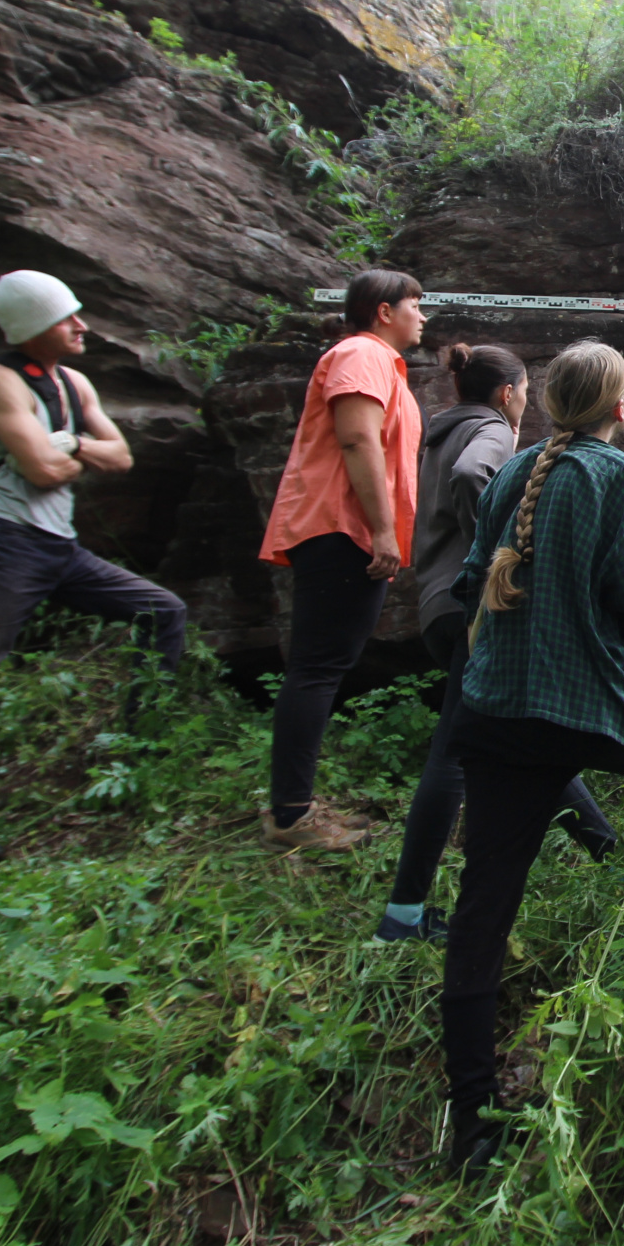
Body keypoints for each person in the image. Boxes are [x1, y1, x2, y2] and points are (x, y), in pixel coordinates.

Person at [436, 341, 624, 1181]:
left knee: (481, 916)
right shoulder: (620, 477)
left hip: (496, 715)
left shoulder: (516, 472)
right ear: (618, 406)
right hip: (582, 714)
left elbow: (474, 587)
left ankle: (471, 1123)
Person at [0, 270, 187, 871]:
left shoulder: (73, 384)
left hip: (58, 547)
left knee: (163, 611)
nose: (81, 326)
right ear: (30, 327)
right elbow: (39, 472)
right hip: (5, 543)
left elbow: (119, 457)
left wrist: (68, 444)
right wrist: (69, 453)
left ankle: (134, 756)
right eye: (66, 317)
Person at [376, 344, 615, 943]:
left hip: (437, 604)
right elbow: (472, 477)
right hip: (471, 606)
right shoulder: (488, 431)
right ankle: (402, 915)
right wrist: (500, 550)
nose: (528, 400)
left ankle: (608, 846)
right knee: (455, 753)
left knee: (513, 734)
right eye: (526, 390)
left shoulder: (440, 431)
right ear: (508, 394)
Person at [255, 270, 430, 854]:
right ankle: (291, 816)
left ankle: (294, 803)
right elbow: (357, 439)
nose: (423, 317)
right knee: (317, 669)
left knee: (322, 666)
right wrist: (382, 531)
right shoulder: (361, 353)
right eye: (415, 306)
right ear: (384, 312)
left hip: (344, 529)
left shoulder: (379, 360)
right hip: (340, 528)